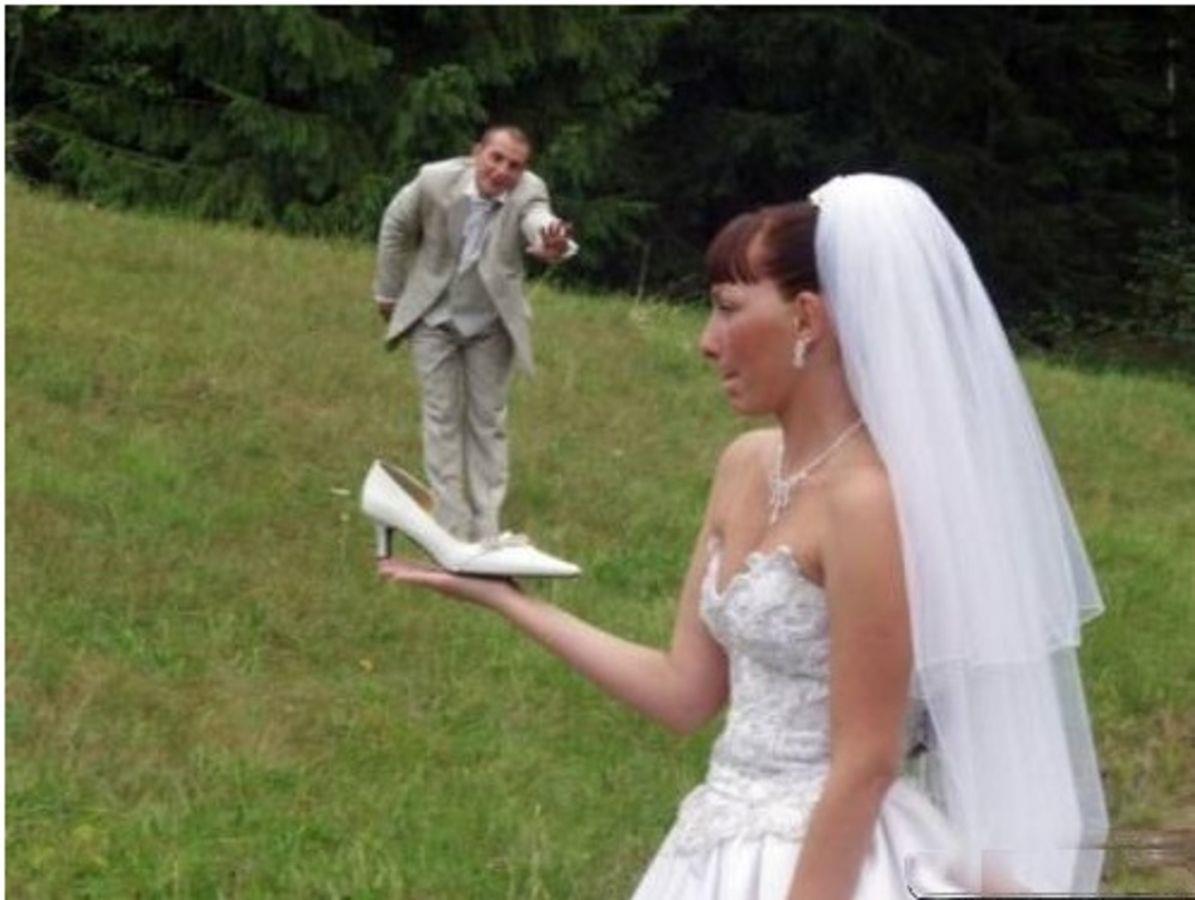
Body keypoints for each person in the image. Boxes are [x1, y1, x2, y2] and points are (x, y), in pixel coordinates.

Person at [377, 174, 1108, 898]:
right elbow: (684, 693)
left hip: (831, 862)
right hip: (717, 843)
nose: (706, 342)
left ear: (807, 319)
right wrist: (507, 599)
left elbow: (866, 761)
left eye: (728, 309)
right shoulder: (745, 465)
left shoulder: (865, 502)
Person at [372, 125, 577, 542]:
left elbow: (539, 221)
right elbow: (395, 224)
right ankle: (450, 528)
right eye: (495, 158)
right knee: (441, 418)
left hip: (490, 326)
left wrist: (552, 244)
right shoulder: (434, 180)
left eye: (514, 165)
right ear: (477, 153)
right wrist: (388, 292)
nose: (502, 171)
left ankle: (487, 529)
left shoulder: (529, 192)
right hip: (434, 318)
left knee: (488, 421)